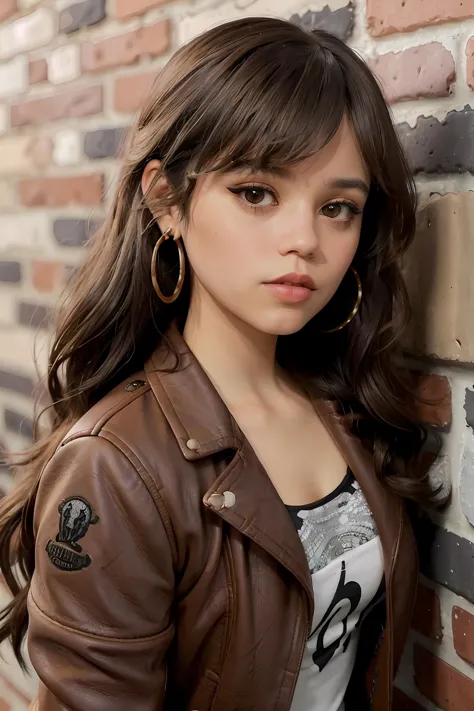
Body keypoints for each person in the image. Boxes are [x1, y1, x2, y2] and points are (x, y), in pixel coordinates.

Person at [0, 17, 447, 711]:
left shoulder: (344, 405)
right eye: (256, 193)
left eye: (337, 207)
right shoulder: (114, 466)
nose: (304, 240)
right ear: (166, 199)